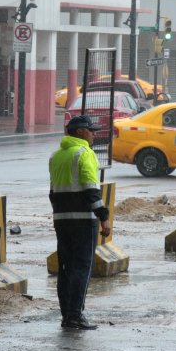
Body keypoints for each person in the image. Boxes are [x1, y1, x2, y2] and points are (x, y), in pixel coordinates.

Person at [48, 115, 112, 331]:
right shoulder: (84, 153)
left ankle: (67, 315)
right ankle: (76, 315)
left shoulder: (56, 156)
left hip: (61, 221)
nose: (94, 134)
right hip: (84, 221)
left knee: (65, 268)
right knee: (82, 268)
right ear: (79, 132)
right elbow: (91, 189)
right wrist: (103, 217)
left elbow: (52, 192)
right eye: (91, 130)